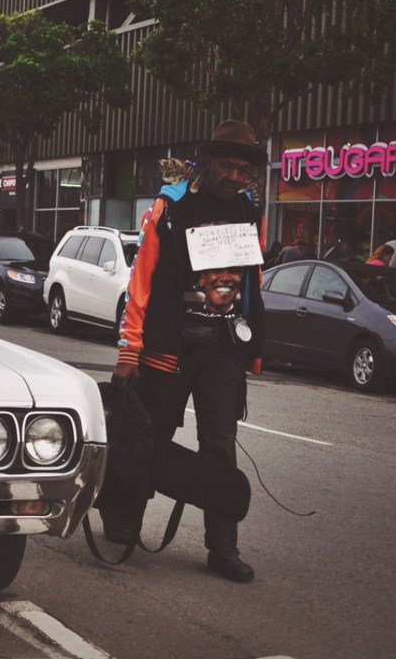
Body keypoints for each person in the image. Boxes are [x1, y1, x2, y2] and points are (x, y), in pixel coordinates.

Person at [107, 119, 267, 583]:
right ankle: (123, 517)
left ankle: (223, 547)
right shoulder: (173, 204)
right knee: (148, 435)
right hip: (169, 348)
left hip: (221, 351)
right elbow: (142, 281)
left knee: (219, 444)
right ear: (208, 162)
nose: (236, 176)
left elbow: (251, 283)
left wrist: (252, 345)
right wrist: (128, 350)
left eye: (243, 169)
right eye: (228, 166)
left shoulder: (246, 208)